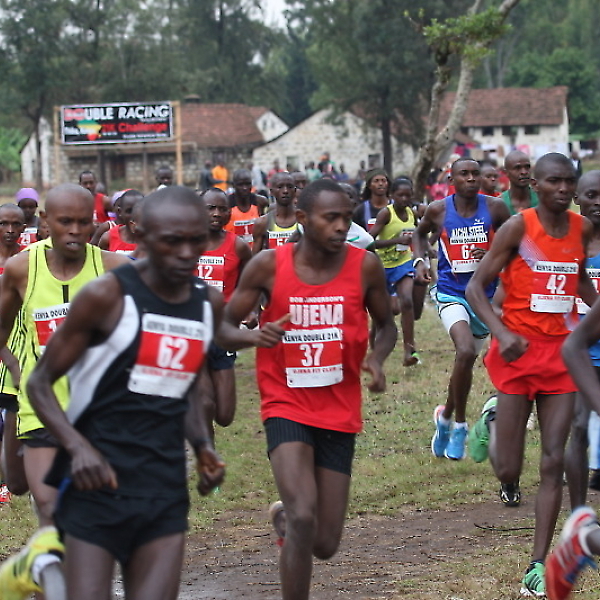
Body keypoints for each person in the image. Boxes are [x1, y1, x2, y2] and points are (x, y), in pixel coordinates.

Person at [5, 186, 225, 600]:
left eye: (196, 240)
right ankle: (43, 563)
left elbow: (182, 381)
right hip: (64, 432)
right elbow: (33, 371)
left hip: (151, 468)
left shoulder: (189, 298)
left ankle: (46, 565)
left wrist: (201, 445)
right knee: (52, 513)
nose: (187, 253)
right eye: (173, 241)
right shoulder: (85, 286)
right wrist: (14, 369)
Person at [219, 178, 397, 600]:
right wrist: (253, 336)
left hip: (339, 406)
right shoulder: (268, 266)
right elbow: (223, 328)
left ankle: (286, 521)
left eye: (346, 218)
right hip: (286, 402)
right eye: (330, 218)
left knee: (325, 543)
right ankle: (293, 521)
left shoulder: (364, 266)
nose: (341, 227)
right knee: (304, 516)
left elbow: (386, 325)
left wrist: (376, 359)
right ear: (302, 218)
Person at [465, 153, 596, 597]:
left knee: (553, 460)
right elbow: (475, 288)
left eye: (569, 182)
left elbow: (578, 280)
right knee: (508, 468)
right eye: (554, 181)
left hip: (560, 356)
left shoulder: (581, 228)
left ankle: (537, 564)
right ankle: (493, 421)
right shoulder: (517, 228)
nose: (563, 189)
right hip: (517, 352)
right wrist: (502, 332)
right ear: (536, 184)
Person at [0, 184, 128, 600]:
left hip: (99, 413)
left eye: (83, 222)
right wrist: (16, 368)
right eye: (65, 222)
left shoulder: (114, 268)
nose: (75, 231)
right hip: (41, 408)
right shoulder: (22, 269)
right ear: (44, 222)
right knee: (52, 511)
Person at [412, 157, 510, 461]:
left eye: (475, 174)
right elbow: (418, 234)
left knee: (465, 363)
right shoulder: (438, 210)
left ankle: (444, 418)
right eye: (464, 174)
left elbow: (514, 244)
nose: (470, 178)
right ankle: (460, 426)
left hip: (485, 297)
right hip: (451, 292)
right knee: (465, 351)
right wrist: (419, 261)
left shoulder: (495, 208)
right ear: (451, 180)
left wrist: (492, 253)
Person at [196, 187, 252, 441]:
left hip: (223, 332)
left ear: (230, 213)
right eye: (210, 208)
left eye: (222, 209)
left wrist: (250, 309)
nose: (216, 214)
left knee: (225, 415)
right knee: (205, 403)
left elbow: (251, 282)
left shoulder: (238, 246)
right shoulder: (185, 243)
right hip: (193, 331)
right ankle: (206, 455)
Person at [563, 171, 600, 510]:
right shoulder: (565, 243)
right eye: (591, 195)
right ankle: (578, 513)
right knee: (579, 426)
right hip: (578, 354)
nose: (598, 202)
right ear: (577, 198)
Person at [369, 178, 419, 366]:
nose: (404, 199)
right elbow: (370, 241)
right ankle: (374, 345)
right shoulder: (385, 214)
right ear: (391, 196)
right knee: (384, 310)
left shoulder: (412, 213)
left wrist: (425, 251)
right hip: (382, 266)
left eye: (408, 195)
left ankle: (409, 350)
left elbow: (419, 235)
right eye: (400, 195)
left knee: (407, 300)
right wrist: (395, 241)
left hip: (403, 262)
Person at [0, 203, 26, 503]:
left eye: (15, 224)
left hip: (17, 349)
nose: (10, 230)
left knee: (11, 419)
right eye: (3, 224)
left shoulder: (28, 260)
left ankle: (8, 484)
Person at [253, 172, 298, 253]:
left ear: (295, 191)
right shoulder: (262, 223)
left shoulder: (304, 220)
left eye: (289, 187)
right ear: (271, 191)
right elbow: (255, 257)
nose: (285, 191)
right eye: (280, 187)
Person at [226, 169, 268, 249]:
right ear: (233, 185)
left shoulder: (260, 202)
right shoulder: (226, 204)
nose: (245, 188)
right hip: (232, 251)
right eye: (240, 185)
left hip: (255, 251)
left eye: (247, 184)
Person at [98, 190, 142, 255]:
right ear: (120, 212)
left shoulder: (152, 237)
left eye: (139, 210)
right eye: (129, 211)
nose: (134, 215)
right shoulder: (109, 237)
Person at [501, 150, 539, 215]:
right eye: (517, 168)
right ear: (506, 173)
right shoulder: (499, 203)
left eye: (527, 167)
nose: (524, 172)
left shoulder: (543, 200)